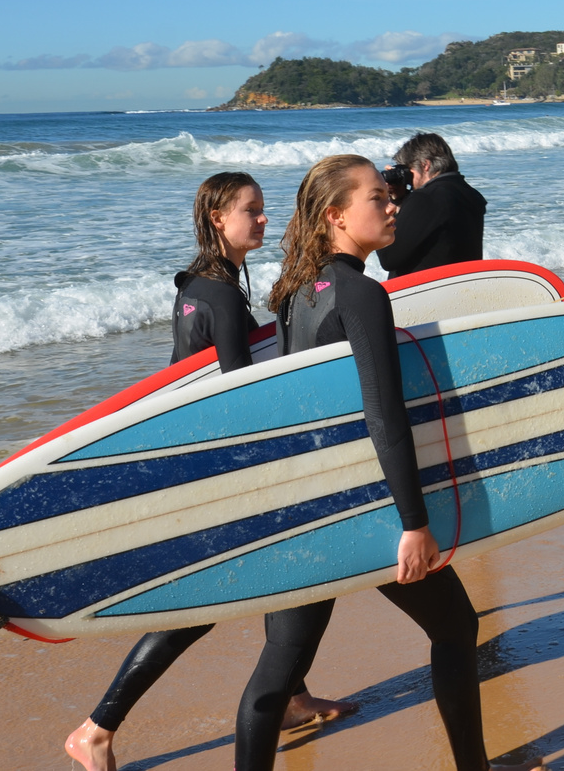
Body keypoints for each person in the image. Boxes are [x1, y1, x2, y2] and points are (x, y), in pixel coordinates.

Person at [240, 154, 539, 771]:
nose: (393, 204)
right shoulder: (361, 293)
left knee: (281, 665)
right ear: (336, 214)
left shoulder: (297, 294)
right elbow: (384, 416)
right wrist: (413, 521)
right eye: (377, 197)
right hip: (368, 507)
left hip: (312, 505)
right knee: (455, 627)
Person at [64, 171, 357, 771]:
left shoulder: (199, 283)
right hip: (215, 469)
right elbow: (238, 397)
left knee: (289, 580)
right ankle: (95, 728)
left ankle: (293, 695)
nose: (264, 220)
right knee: (201, 605)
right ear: (219, 218)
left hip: (191, 454)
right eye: (252, 211)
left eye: (265, 210)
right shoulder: (222, 294)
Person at [377, 132, 486, 277]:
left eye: (408, 169)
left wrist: (381, 202)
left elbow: (389, 258)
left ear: (425, 165)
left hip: (422, 291)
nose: (407, 177)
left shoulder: (426, 198)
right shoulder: (470, 194)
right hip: (459, 286)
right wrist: (399, 200)